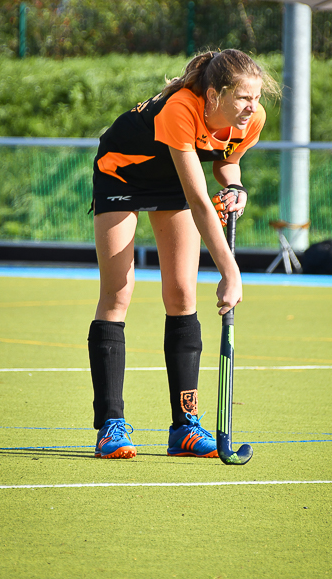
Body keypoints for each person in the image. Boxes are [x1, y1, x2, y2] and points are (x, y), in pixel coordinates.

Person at [88, 48, 278, 459]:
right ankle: (110, 425)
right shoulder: (180, 109)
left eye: (256, 97)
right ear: (214, 95)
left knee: (181, 294)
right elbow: (198, 200)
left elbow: (227, 161)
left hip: (173, 175)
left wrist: (236, 187)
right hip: (121, 171)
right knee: (117, 292)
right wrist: (230, 272)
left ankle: (185, 427)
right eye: (243, 98)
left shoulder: (252, 119)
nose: (252, 107)